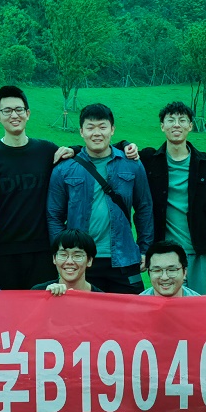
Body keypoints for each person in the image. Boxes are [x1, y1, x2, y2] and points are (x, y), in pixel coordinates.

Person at [46, 103, 153, 294]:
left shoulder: (132, 164)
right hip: (81, 261)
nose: (97, 133)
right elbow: (54, 215)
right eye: (90, 127)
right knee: (82, 312)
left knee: (132, 310)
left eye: (102, 127)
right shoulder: (64, 169)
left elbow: (144, 208)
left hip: (124, 257)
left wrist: (145, 249)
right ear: (81, 131)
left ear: (112, 129)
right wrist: (62, 253)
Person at [0, 86, 75, 290]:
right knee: (7, 309)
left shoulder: (46, 151)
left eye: (19, 109)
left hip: (43, 251)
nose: (14, 115)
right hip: (2, 253)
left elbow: (85, 156)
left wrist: (74, 149)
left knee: (43, 307)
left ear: (27, 113)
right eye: (7, 110)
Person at [135, 101, 206, 295]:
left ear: (190, 126)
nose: (176, 125)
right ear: (162, 126)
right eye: (171, 120)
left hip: (201, 251)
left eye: (182, 120)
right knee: (168, 307)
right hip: (165, 256)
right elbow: (111, 150)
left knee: (202, 307)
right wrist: (75, 150)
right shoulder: (149, 160)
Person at [33, 229, 104, 295]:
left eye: (77, 256)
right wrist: (45, 298)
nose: (69, 262)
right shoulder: (38, 292)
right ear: (54, 258)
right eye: (63, 255)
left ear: (89, 261)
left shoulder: (101, 299)